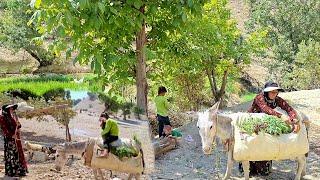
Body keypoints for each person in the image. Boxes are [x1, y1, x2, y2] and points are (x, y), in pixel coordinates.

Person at [239, 81, 299, 176]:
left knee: (266, 144)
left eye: (276, 92)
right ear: (266, 92)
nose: (274, 94)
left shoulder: (277, 99)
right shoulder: (260, 97)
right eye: (272, 92)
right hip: (252, 121)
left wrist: (294, 119)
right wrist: (281, 116)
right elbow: (265, 109)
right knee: (251, 142)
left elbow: (289, 108)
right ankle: (247, 167)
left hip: (265, 123)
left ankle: (262, 166)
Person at [0, 104, 28, 177]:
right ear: (6, 110)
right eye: (10, 108)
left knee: (18, 154)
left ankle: (20, 170)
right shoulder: (2, 117)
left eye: (12, 108)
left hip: (16, 138)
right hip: (10, 139)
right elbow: (4, 128)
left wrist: (18, 124)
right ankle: (12, 171)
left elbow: (17, 126)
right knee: (12, 154)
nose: (12, 110)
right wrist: (11, 135)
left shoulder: (12, 117)